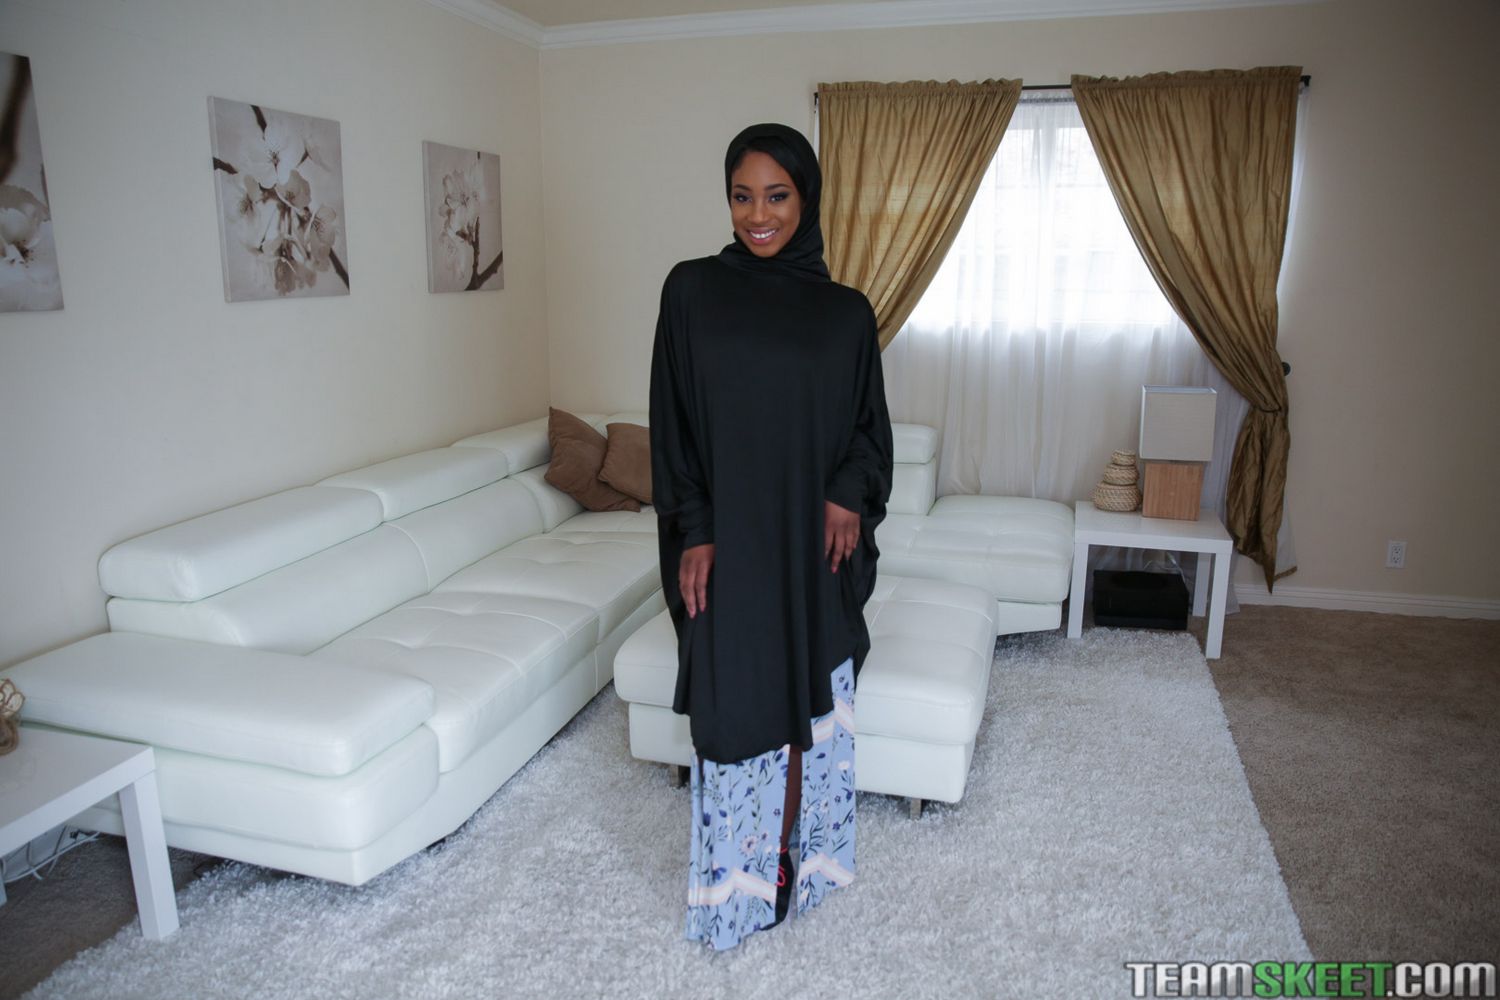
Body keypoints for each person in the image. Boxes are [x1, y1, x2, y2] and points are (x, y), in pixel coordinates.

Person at [649, 122, 893, 952]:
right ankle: (737, 884)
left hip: (811, 548)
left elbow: (868, 434)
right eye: (743, 196)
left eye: (778, 196)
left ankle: (794, 862)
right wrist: (696, 528)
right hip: (730, 544)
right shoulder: (691, 292)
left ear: (807, 199)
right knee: (735, 704)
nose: (759, 215)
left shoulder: (845, 314)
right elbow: (673, 423)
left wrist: (847, 493)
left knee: (805, 698)